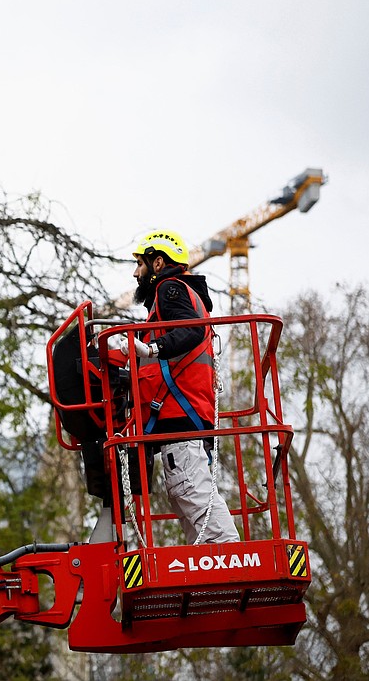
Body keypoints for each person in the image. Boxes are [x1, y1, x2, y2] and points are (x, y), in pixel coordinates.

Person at [124, 229, 240, 544]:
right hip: (187, 411)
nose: (136, 274)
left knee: (191, 493)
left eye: (140, 265)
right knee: (185, 498)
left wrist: (151, 349)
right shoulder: (183, 296)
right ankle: (210, 568)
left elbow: (188, 331)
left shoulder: (170, 289)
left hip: (181, 413)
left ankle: (230, 561)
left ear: (158, 262)